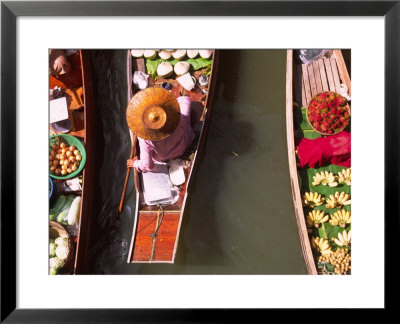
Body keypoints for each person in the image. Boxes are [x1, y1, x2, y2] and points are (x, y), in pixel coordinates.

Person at [126, 87, 194, 172]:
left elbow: (147, 166)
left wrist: (135, 163)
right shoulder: (172, 112)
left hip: (167, 156)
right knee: (185, 100)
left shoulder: (145, 139)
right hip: (185, 141)